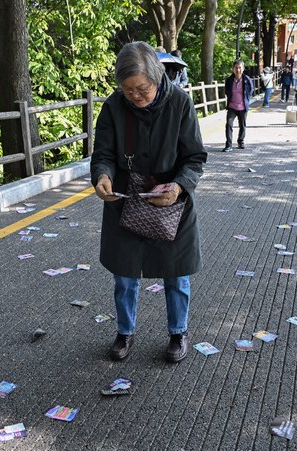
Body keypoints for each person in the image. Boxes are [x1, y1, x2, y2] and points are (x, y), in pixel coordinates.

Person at [90, 41, 207, 363]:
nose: (136, 97)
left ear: (157, 78)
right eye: (128, 92)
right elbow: (103, 155)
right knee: (124, 275)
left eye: (142, 89)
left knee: (176, 274)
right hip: (125, 197)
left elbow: (195, 158)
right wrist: (102, 177)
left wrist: (180, 187)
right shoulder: (114, 107)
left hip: (171, 199)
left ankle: (177, 333)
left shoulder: (181, 104)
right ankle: (124, 332)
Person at [223, 59, 253, 152]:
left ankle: (240, 141)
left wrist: (245, 100)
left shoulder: (247, 80)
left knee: (242, 125)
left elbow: (250, 91)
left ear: (243, 69)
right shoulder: (229, 80)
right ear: (233, 69)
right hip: (232, 106)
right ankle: (228, 145)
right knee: (228, 124)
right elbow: (227, 91)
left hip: (243, 106)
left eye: (240, 68)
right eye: (236, 68)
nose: (238, 70)